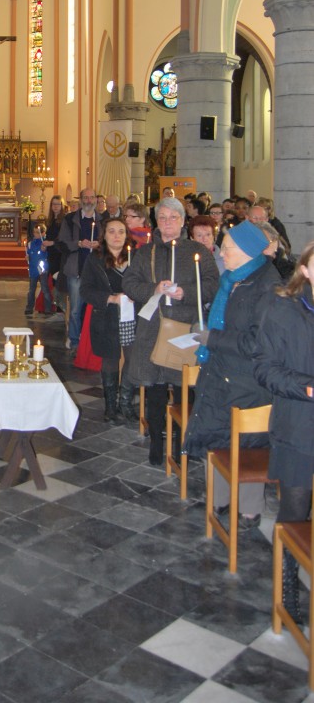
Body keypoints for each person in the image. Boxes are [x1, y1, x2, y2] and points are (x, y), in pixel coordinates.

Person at [183, 221, 280, 524]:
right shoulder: (235, 278)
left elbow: (258, 342)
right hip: (224, 370)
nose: (222, 253)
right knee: (219, 435)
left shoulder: (266, 285)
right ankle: (222, 499)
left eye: (227, 248)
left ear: (249, 251)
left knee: (248, 441)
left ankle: (250, 509)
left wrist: (212, 338)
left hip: (248, 378)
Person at [122, 196, 220, 465]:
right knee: (154, 389)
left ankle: (180, 443)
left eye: (173, 218)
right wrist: (153, 289)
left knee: (182, 391)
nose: (167, 223)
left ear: (182, 221)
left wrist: (186, 293)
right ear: (156, 221)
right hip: (153, 329)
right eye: (162, 218)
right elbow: (130, 283)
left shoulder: (196, 252)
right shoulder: (145, 253)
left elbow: (213, 284)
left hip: (184, 329)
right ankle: (156, 441)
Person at [253, 242, 314, 624]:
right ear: (305, 269)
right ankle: (287, 586)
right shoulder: (283, 308)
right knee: (295, 510)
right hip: (298, 425)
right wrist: (308, 387)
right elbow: (265, 369)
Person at [80, 218, 137, 423]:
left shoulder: (135, 256)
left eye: (121, 231)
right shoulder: (94, 259)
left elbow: (146, 285)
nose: (116, 236)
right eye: (111, 231)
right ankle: (110, 406)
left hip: (132, 317)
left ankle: (126, 403)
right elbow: (85, 290)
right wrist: (111, 299)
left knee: (132, 359)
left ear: (126, 235)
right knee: (110, 360)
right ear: (104, 235)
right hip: (107, 317)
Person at [58, 187, 100, 351]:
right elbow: (62, 242)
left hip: (96, 271)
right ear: (81, 199)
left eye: (92, 197)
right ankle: (75, 340)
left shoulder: (103, 220)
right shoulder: (70, 219)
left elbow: (111, 241)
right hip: (76, 269)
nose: (89, 200)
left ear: (96, 199)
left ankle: (91, 342)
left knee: (95, 308)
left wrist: (100, 245)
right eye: (86, 197)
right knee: (75, 309)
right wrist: (78, 244)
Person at [25, 223, 53, 317]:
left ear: (43, 233)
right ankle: (29, 307)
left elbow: (47, 255)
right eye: (34, 232)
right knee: (31, 290)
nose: (35, 234)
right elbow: (29, 253)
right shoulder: (30, 244)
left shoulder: (45, 243)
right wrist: (28, 257)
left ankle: (48, 308)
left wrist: (44, 250)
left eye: (37, 233)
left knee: (45, 289)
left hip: (42, 269)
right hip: (33, 269)